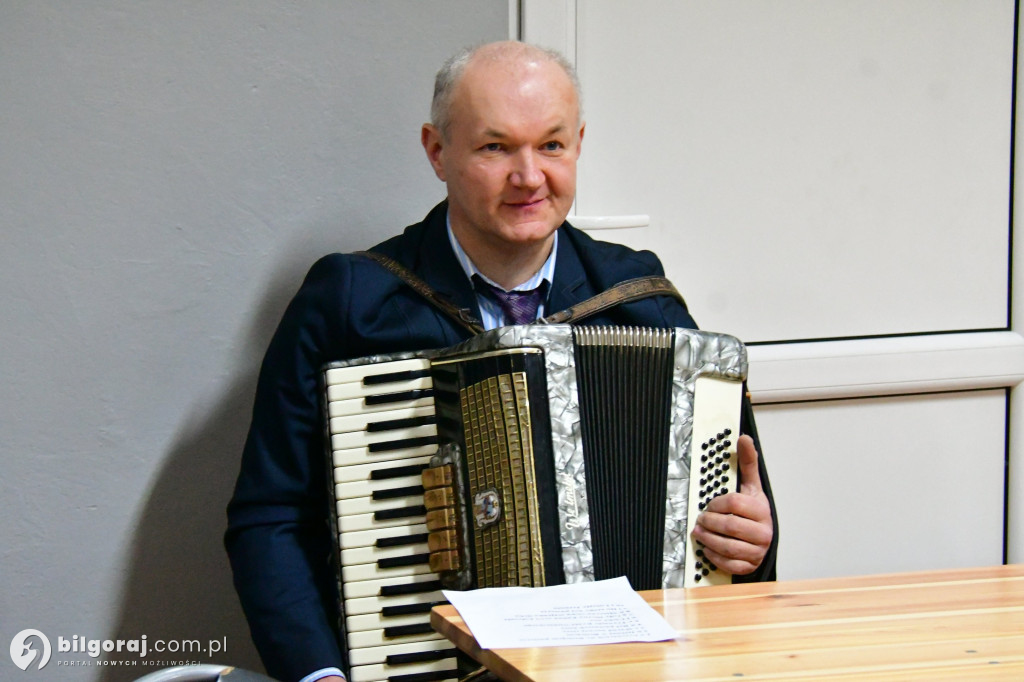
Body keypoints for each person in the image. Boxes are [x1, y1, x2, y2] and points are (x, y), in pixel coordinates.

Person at [225, 40, 778, 682]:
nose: (529, 176)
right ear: (437, 151)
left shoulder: (641, 303)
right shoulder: (350, 304)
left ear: (579, 144)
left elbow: (741, 524)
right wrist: (319, 676)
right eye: (495, 147)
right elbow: (270, 519)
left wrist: (751, 543)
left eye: (551, 145)